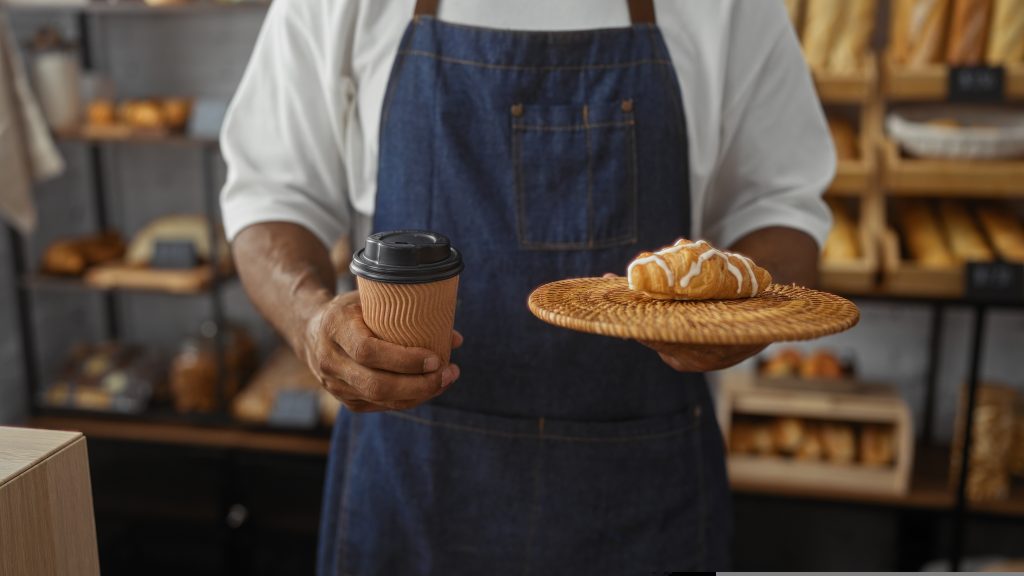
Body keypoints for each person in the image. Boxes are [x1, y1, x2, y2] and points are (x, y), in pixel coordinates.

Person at [220, 0, 834, 572]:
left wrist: (741, 317)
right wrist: (309, 323)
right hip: (411, 485)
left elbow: (781, 208)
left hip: (644, 491)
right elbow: (271, 195)